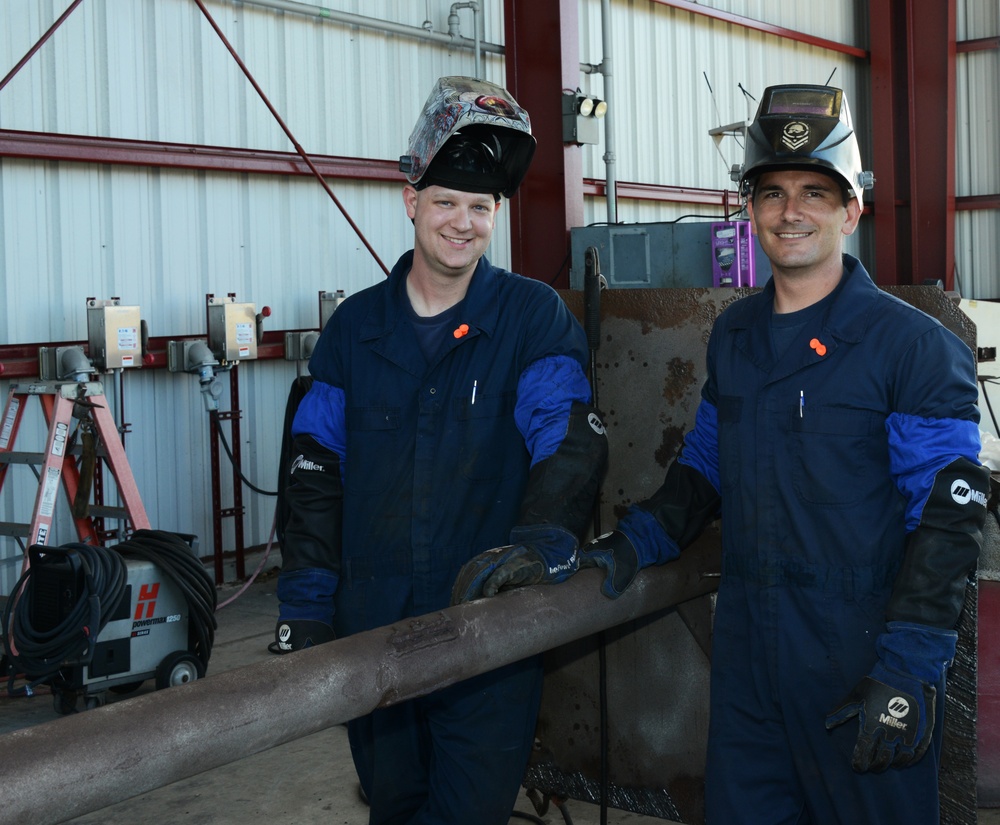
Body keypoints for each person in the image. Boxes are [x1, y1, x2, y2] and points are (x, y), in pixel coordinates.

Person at [573, 84, 991, 824]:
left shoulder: (914, 349)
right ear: (752, 210)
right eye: (772, 194)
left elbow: (946, 522)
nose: (790, 212)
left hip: (862, 662)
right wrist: (634, 541)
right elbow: (705, 462)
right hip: (749, 676)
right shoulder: (735, 337)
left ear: (851, 209)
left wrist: (908, 669)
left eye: (814, 193)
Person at [273, 75, 608, 825]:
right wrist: (305, 601)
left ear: (498, 214)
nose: (463, 222)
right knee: (395, 808)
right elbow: (313, 474)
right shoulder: (353, 333)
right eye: (447, 201)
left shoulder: (532, 319)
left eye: (481, 207)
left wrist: (544, 540)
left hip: (483, 633)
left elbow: (567, 437)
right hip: (372, 631)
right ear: (411, 199)